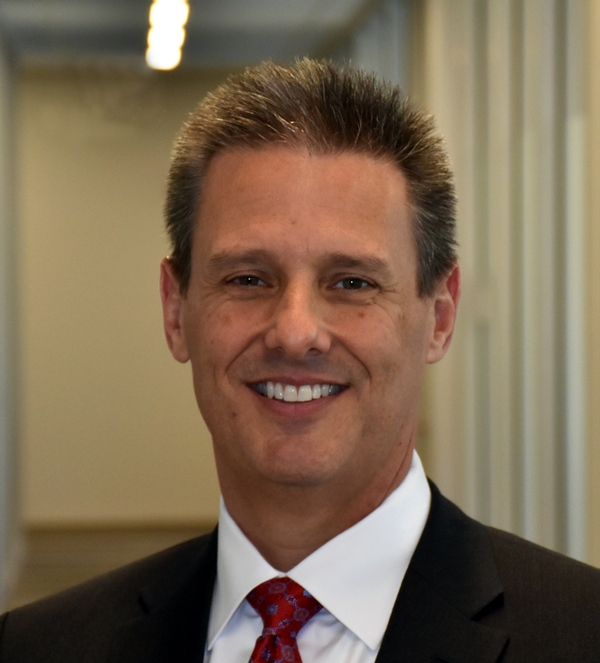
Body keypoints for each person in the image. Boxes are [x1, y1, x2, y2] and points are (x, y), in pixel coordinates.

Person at [1, 58, 599, 663]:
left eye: (352, 283)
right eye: (248, 278)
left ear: (439, 318)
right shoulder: (36, 648)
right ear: (176, 311)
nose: (294, 333)